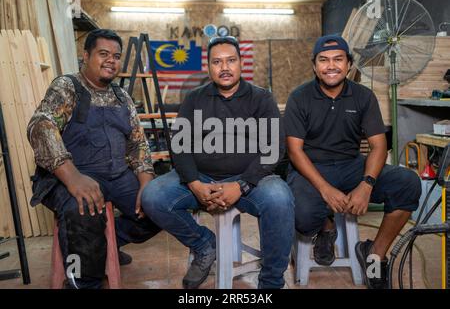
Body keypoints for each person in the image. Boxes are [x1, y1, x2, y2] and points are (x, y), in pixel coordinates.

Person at [141, 36, 294, 289]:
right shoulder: (194, 99)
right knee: (153, 196)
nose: (224, 67)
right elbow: (179, 145)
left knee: (280, 199)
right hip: (202, 177)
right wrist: (193, 183)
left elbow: (273, 149)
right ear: (209, 66)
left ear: (241, 63)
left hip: (251, 180)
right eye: (217, 62)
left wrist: (241, 185)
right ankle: (204, 244)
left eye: (231, 60)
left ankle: (271, 282)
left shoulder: (261, 98)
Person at [284, 35, 421, 289]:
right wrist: (325, 190)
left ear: (349, 64)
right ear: (314, 66)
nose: (331, 65)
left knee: (407, 183)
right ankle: (326, 227)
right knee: (302, 215)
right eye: (323, 60)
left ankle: (374, 255)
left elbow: (379, 145)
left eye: (338, 59)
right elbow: (295, 152)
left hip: (351, 165)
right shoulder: (299, 98)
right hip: (311, 168)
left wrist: (366, 184)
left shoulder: (363, 96)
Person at [27, 29, 161, 289]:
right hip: (69, 174)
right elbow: (40, 125)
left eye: (116, 56)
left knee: (160, 207)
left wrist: (146, 182)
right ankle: (83, 280)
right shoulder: (68, 87)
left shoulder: (122, 97)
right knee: (84, 211)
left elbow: (138, 143)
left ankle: (103, 244)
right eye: (103, 54)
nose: (111, 60)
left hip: (117, 175)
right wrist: (73, 178)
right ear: (86, 56)